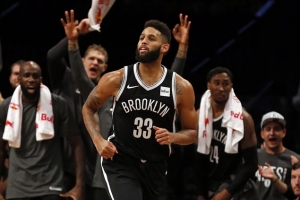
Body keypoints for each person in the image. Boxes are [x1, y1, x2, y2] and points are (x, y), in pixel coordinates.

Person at [56, 9, 192, 200]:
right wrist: (98, 140)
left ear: (164, 48)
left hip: (155, 166)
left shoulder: (177, 86)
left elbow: (191, 129)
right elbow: (86, 102)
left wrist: (173, 136)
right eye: (141, 37)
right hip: (119, 164)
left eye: (151, 38)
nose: (143, 41)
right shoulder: (116, 81)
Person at [0, 61, 85, 200]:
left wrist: (80, 186)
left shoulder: (58, 104)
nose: (31, 79)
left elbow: (76, 144)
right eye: (27, 75)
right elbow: (1, 149)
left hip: (50, 187)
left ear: (41, 80)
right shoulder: (6, 107)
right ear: (19, 79)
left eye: (35, 76)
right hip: (17, 189)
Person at [194, 67, 258, 200]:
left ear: (231, 86)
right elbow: (199, 161)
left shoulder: (243, 118)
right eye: (216, 83)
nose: (221, 88)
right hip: (211, 185)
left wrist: (227, 193)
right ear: (208, 85)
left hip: (236, 186)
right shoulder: (199, 116)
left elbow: (251, 164)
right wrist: (201, 194)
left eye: (225, 84)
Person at [257, 111, 300, 200]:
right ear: (262, 134)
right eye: (268, 129)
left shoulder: (295, 159)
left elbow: (295, 194)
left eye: (276, 129)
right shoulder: (253, 157)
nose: (272, 133)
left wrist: (275, 179)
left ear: (283, 132)